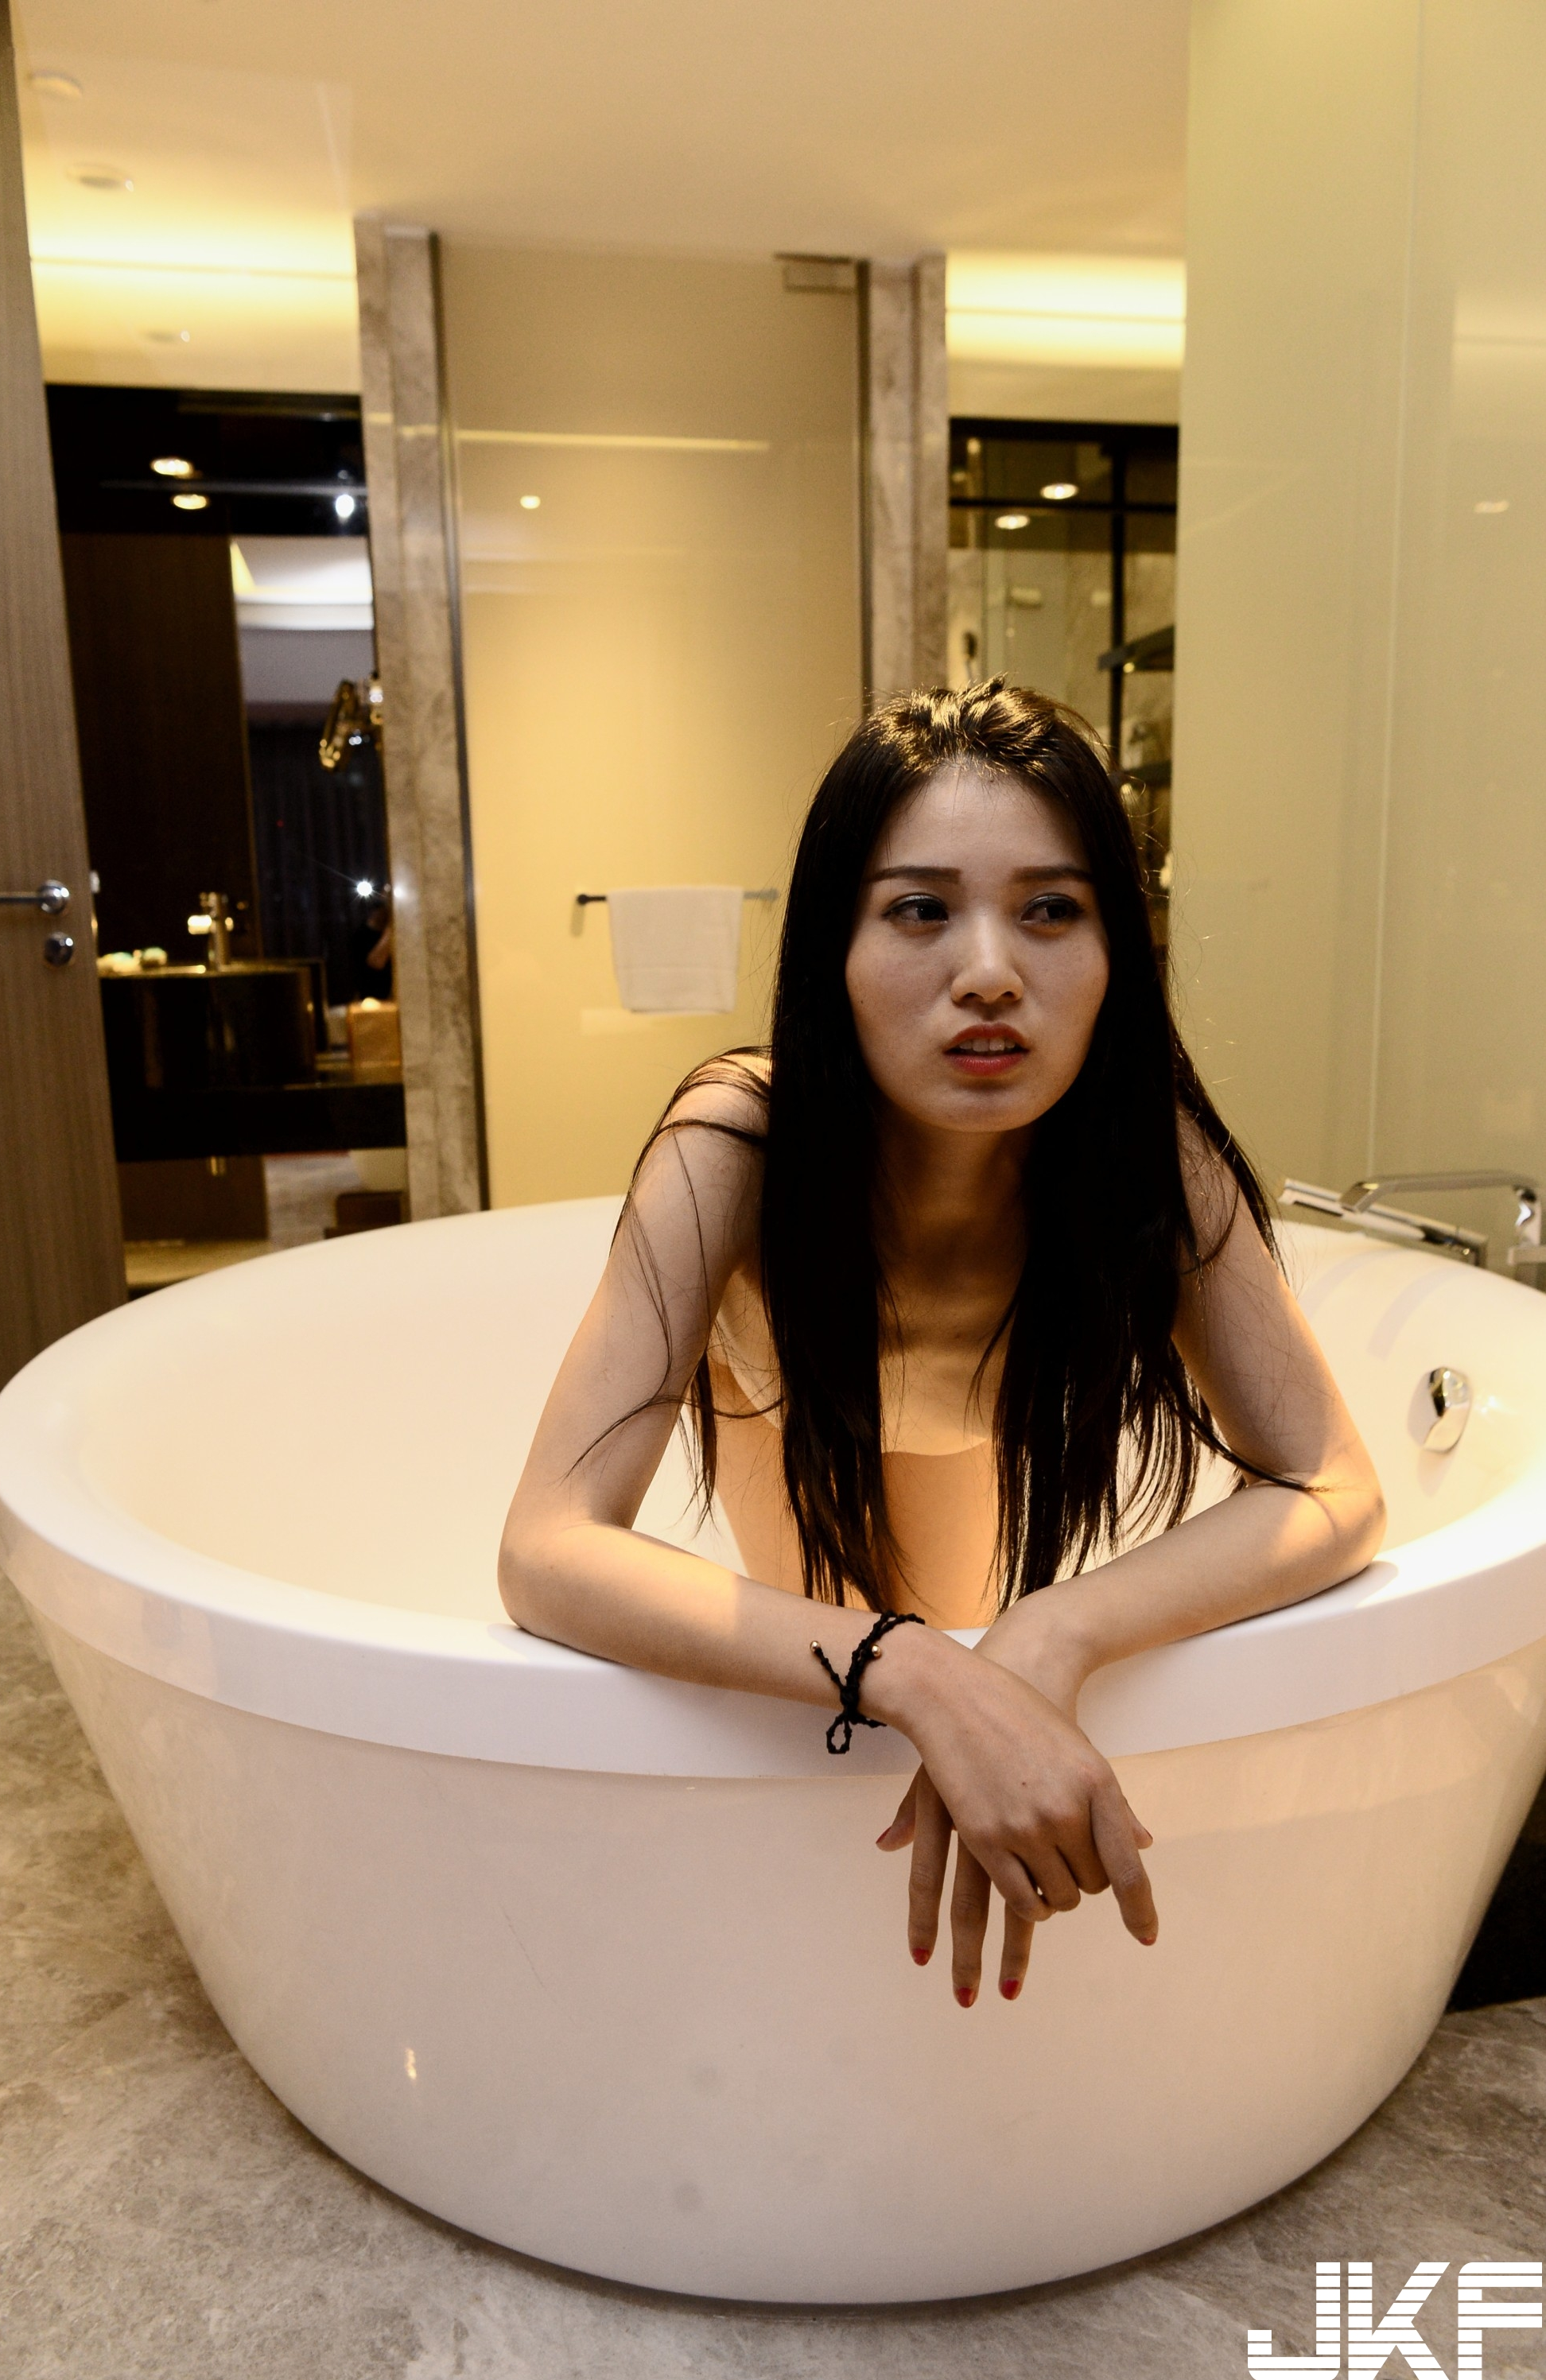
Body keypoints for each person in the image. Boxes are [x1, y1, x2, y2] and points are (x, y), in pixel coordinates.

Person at [500, 682, 1385, 2008]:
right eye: (920, 910)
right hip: (793, 1422)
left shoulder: (1152, 1159)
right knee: (863, 1733)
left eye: (1052, 910)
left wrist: (1054, 1631)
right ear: (835, 951)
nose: (989, 971)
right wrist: (904, 1666)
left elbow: (1337, 1485)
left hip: (982, 1437)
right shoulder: (733, 1145)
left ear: (1116, 950)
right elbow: (547, 1548)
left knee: (982, 1674)